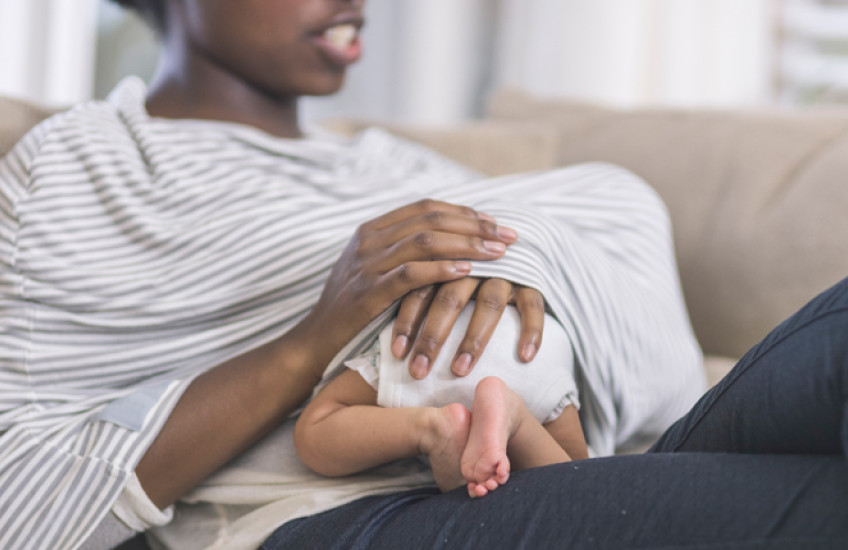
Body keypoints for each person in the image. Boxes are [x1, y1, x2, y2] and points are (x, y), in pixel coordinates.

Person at [0, 1, 846, 550]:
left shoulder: (408, 169)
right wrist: (317, 337)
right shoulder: (86, 163)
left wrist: (536, 256)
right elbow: (22, 500)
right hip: (338, 517)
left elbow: (654, 379)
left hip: (582, 462)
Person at [294, 302, 589, 498]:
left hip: (425, 336)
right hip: (533, 341)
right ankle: (516, 417)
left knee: (316, 426)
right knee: (579, 480)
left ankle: (434, 428)